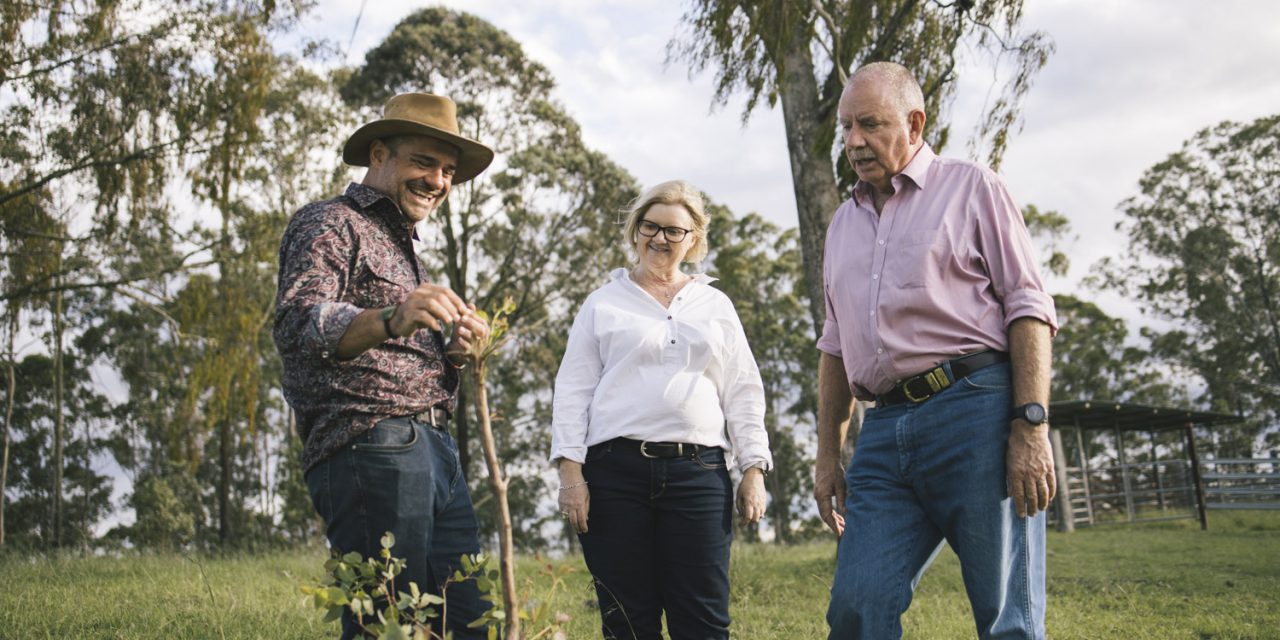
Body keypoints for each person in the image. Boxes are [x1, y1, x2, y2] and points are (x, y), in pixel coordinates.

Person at [813, 62, 1059, 639]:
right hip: (883, 429)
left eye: (869, 124)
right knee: (856, 607)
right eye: (847, 127)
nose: (853, 141)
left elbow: (1028, 307)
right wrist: (828, 455)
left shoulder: (973, 187)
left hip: (975, 411)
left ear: (915, 122)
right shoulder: (841, 225)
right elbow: (835, 347)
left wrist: (1030, 425)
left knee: (1006, 616)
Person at [273, 92, 495, 639]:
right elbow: (300, 322)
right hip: (373, 445)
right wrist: (395, 316)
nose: (439, 181)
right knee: (387, 622)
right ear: (378, 154)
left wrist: (454, 355)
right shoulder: (330, 223)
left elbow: (393, 353)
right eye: (424, 162)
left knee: (465, 622)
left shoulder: (403, 247)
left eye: (447, 171)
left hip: (435, 452)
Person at [550, 180, 773, 640]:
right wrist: (571, 476)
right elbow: (572, 390)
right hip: (615, 474)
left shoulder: (716, 305)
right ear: (635, 231)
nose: (660, 238)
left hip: (699, 473)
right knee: (628, 621)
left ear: (693, 239)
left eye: (674, 231)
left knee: (704, 620)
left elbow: (743, 389)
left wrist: (753, 468)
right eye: (650, 226)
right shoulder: (602, 304)